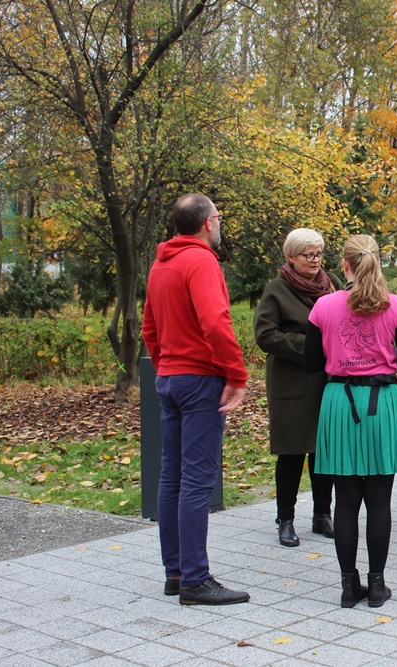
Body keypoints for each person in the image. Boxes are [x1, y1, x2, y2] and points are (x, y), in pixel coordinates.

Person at [142, 193, 249, 605]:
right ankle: (195, 580)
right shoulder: (201, 261)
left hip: (168, 377)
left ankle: (176, 572)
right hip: (199, 380)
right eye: (218, 218)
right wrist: (236, 374)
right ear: (207, 222)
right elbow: (216, 320)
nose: (219, 224)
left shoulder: (161, 263)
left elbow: (150, 325)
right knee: (198, 479)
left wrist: (165, 361)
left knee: (172, 475)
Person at [304, 234, 397, 609]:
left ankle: (347, 585)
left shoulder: (323, 306)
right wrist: (377, 359)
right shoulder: (396, 306)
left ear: (345, 265)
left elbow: (310, 363)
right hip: (383, 402)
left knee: (345, 501)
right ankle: (377, 584)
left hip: (340, 401)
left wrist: (344, 359)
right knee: (379, 501)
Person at [254, 228, 340, 548]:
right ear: (291, 256)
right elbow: (265, 334)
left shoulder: (332, 284)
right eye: (309, 255)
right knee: (291, 453)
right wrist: (310, 346)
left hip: (329, 382)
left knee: (324, 453)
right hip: (292, 383)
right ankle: (286, 519)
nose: (316, 261)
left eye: (319, 254)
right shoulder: (277, 290)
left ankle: (322, 515)